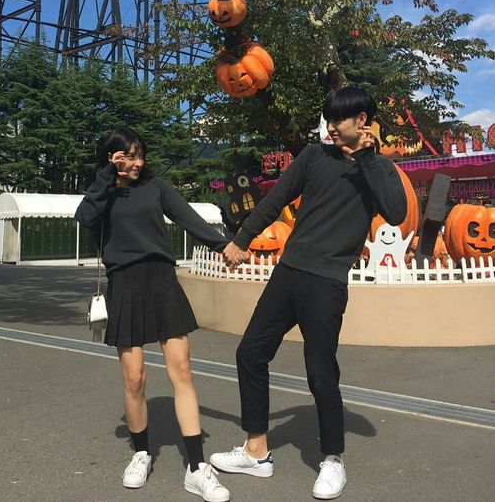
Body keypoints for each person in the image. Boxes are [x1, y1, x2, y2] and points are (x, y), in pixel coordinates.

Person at [211, 87, 407, 499]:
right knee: (250, 353)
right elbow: (275, 200)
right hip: (288, 273)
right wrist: (241, 240)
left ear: (362, 121)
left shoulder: (380, 169)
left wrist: (367, 158)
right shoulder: (314, 156)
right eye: (328, 119)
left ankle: (332, 459)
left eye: (339, 120)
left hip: (327, 283)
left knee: (320, 372)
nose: (330, 127)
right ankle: (256, 451)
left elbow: (396, 212)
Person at [75, 127, 230, 502]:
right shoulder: (103, 193)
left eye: (140, 155)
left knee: (182, 371)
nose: (137, 162)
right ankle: (142, 453)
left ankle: (196, 467)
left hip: (162, 282)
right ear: (112, 157)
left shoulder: (156, 187)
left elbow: (191, 219)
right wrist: (106, 176)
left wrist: (227, 246)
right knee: (134, 378)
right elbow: (85, 217)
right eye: (128, 156)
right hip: (124, 285)